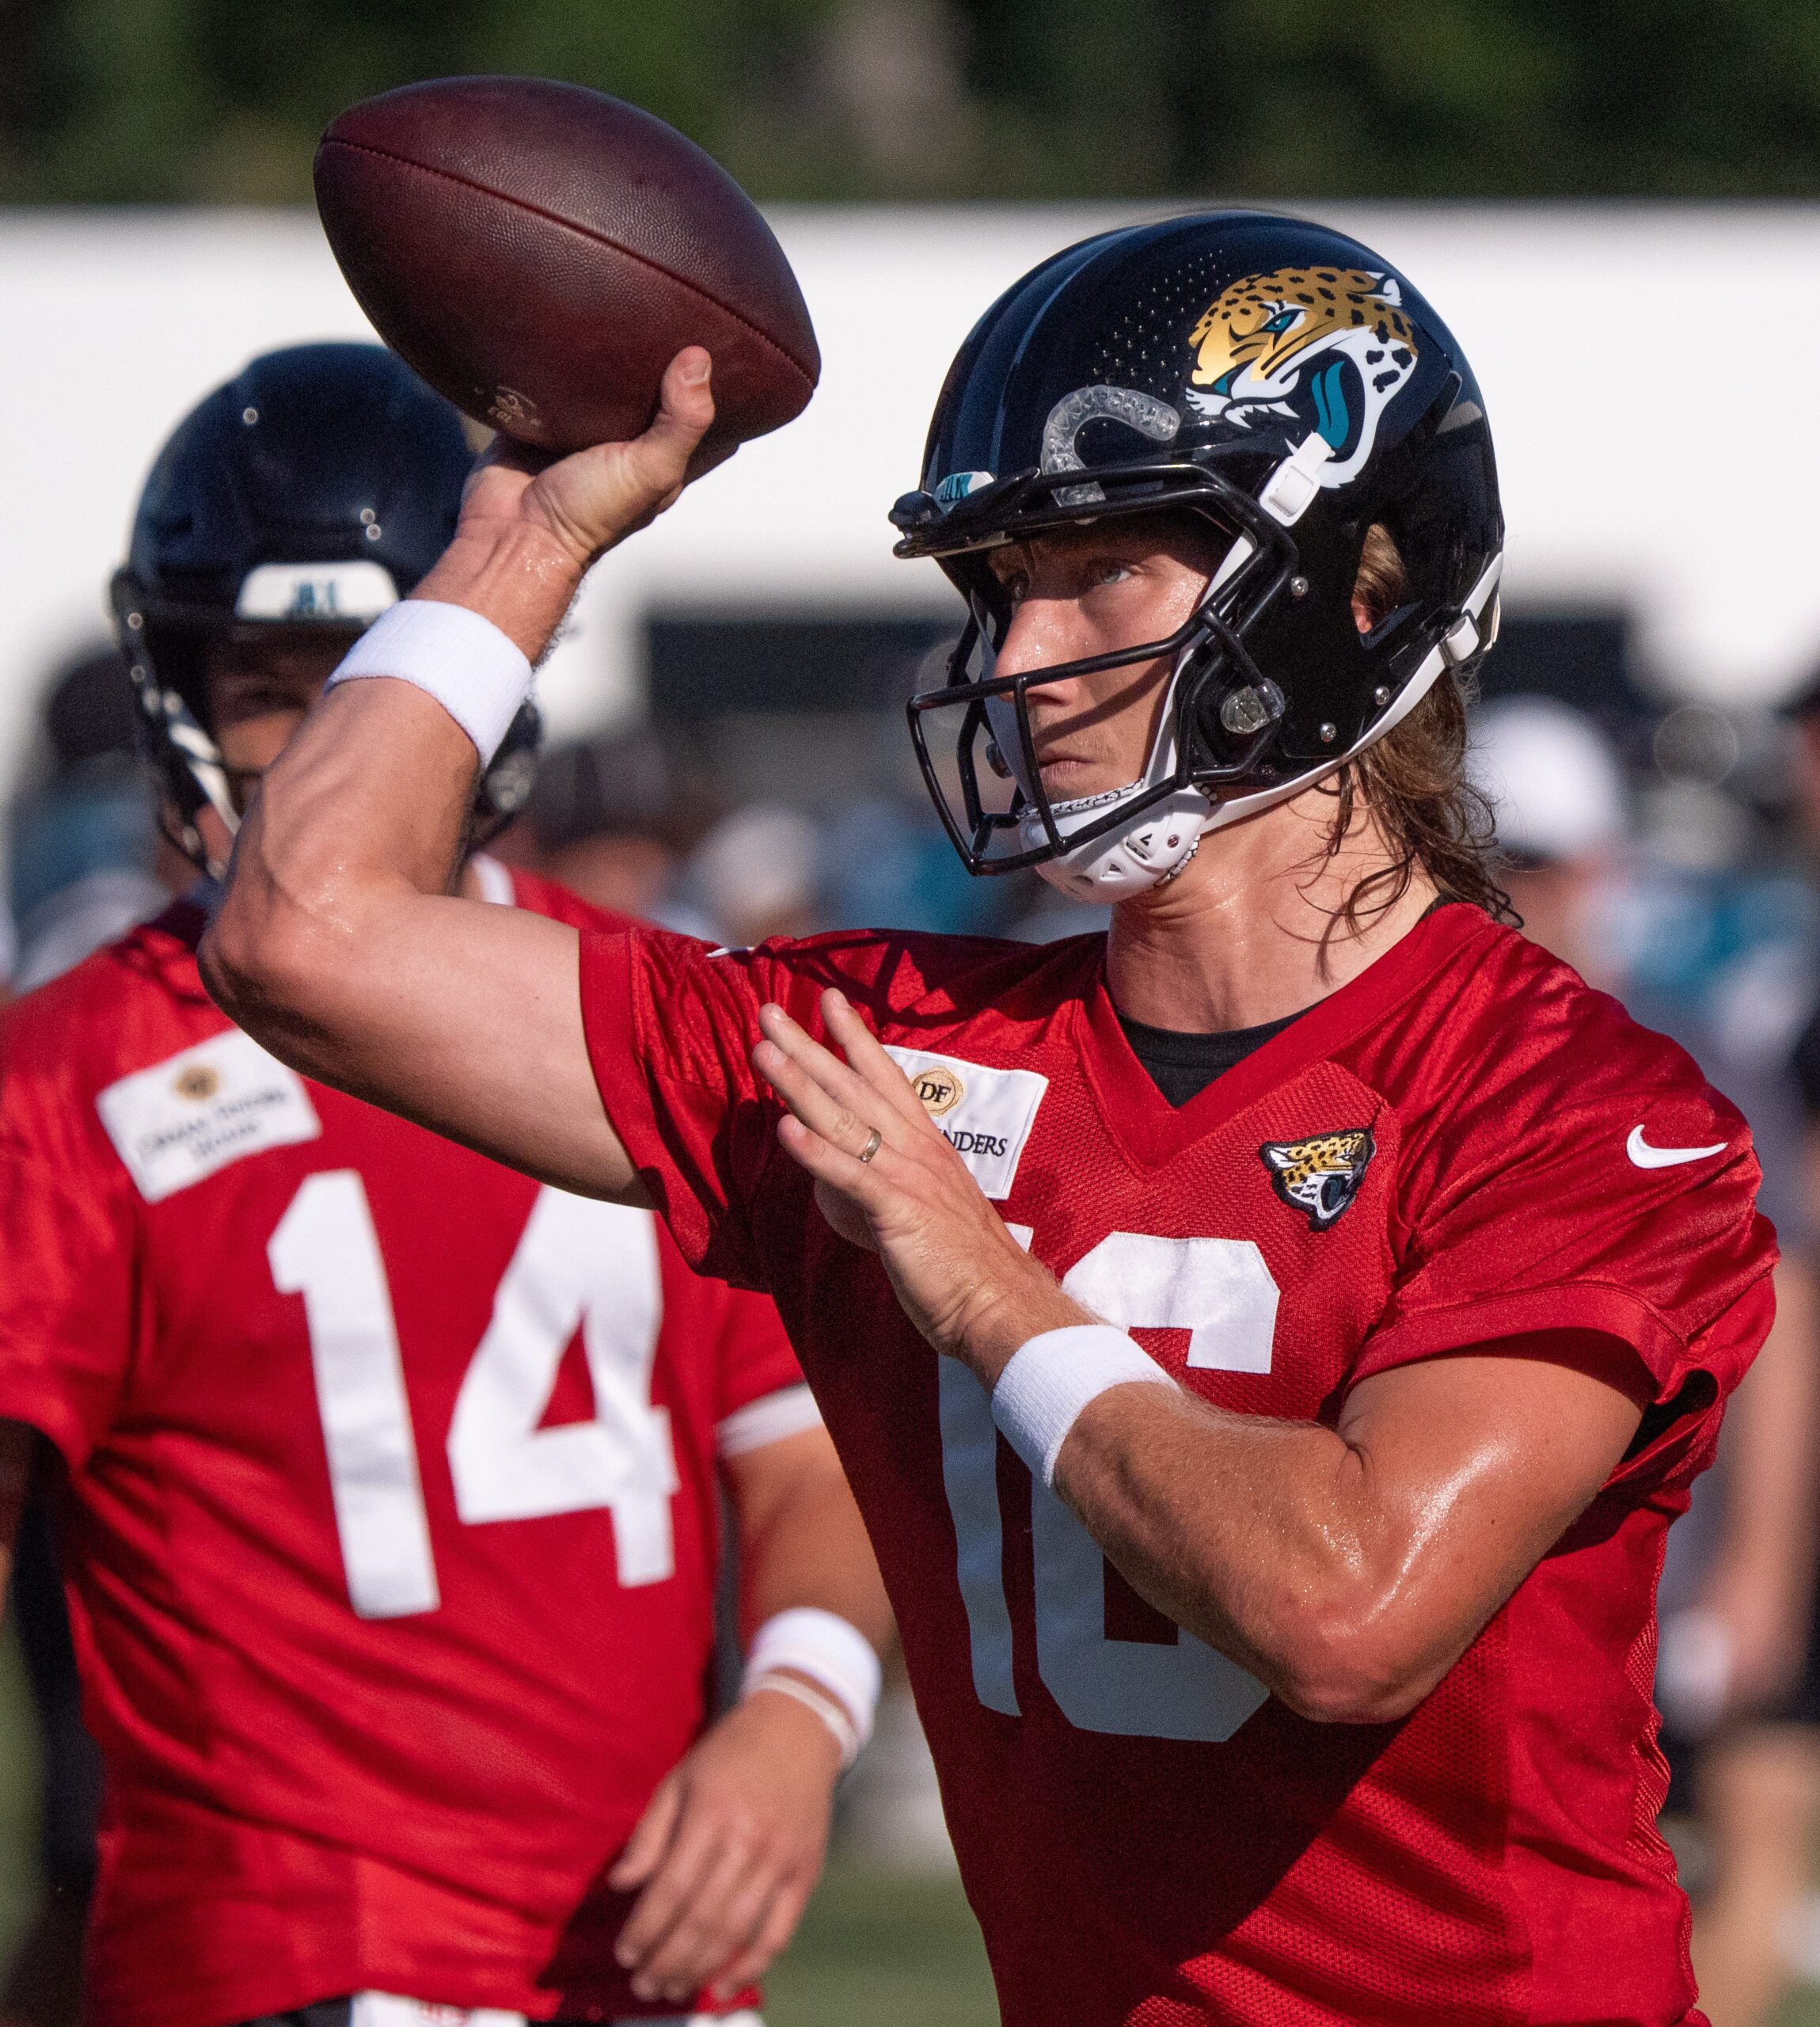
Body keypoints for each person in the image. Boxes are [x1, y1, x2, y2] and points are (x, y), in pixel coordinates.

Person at [207, 218, 1773, 2025]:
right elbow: (302, 928)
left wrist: (983, 1277)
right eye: (1000, 584)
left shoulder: (1577, 1106)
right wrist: (528, 543)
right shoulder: (889, 1046)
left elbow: (1348, 1610)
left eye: (1101, 570)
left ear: (1353, 586)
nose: (1021, 648)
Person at [0, 343, 891, 2027]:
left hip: (646, 1968)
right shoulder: (74, 1072)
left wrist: (794, 1712)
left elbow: (800, 1449)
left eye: (366, 671)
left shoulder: (655, 1005)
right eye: (269, 683)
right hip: (284, 1959)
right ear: (177, 686)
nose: (322, 736)